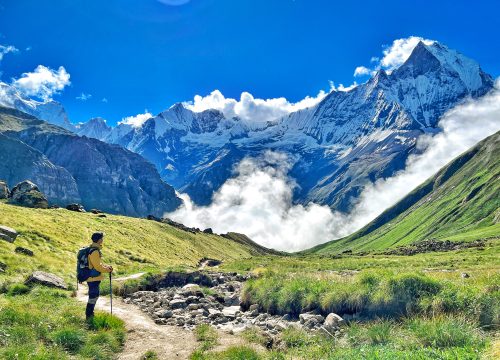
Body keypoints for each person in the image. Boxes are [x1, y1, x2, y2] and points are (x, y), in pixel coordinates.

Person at [85, 232, 113, 321]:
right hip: (93, 278)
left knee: (94, 296)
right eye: (102, 238)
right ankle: (89, 316)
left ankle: (90, 314)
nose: (103, 240)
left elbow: (97, 264)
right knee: (93, 296)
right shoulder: (95, 251)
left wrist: (106, 267)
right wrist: (107, 270)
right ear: (99, 240)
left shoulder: (92, 249)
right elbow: (97, 267)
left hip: (92, 277)